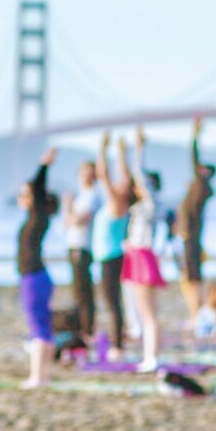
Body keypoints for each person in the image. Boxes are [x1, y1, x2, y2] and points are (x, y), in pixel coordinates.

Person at [115, 126, 165, 372]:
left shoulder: (150, 203)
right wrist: (121, 152)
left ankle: (151, 358)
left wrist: (138, 148)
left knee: (147, 312)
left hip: (143, 257)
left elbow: (137, 174)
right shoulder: (145, 206)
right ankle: (149, 356)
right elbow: (128, 178)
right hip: (139, 256)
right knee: (143, 311)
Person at [16, 146, 61, 389]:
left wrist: (44, 166)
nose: (21, 197)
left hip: (34, 278)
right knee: (44, 327)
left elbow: (38, 187)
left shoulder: (37, 216)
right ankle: (44, 376)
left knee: (38, 328)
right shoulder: (36, 218)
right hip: (37, 277)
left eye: (24, 194)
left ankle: (37, 377)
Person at [91, 133, 130, 351]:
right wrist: (121, 151)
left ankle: (117, 345)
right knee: (115, 302)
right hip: (112, 256)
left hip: (110, 257)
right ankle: (119, 342)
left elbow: (103, 174)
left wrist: (103, 149)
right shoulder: (119, 202)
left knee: (112, 302)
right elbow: (122, 175)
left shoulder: (116, 202)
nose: (119, 181)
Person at [176, 119, 216, 318]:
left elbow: (193, 159)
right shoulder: (201, 188)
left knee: (192, 276)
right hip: (192, 235)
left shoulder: (201, 185)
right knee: (192, 274)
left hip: (190, 236)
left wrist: (195, 136)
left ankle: (196, 312)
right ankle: (196, 311)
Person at [63, 159, 101, 344]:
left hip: (83, 246)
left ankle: (88, 331)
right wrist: (69, 212)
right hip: (73, 245)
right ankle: (81, 329)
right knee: (77, 291)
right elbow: (67, 222)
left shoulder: (93, 195)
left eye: (90, 172)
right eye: (84, 171)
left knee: (84, 291)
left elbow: (78, 220)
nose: (86, 175)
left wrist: (68, 208)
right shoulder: (82, 195)